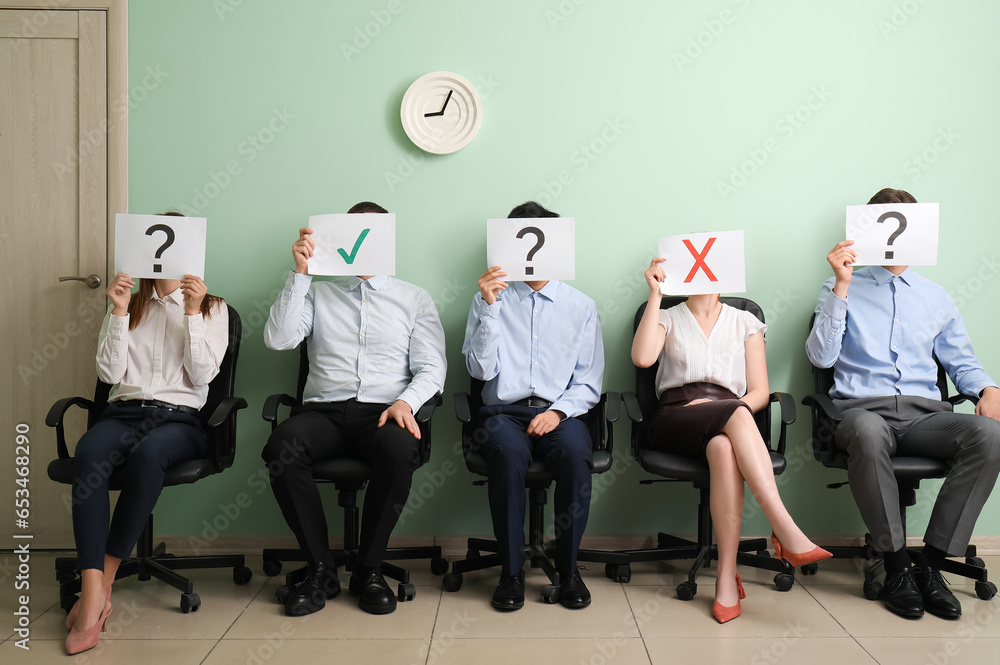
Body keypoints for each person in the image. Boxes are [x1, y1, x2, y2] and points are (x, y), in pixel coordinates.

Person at [806, 187, 1000, 620]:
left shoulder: (936, 297)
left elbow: (962, 363)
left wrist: (989, 389)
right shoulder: (839, 286)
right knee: (867, 429)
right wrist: (841, 285)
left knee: (990, 434)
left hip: (924, 417)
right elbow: (820, 357)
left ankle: (929, 567)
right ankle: (896, 567)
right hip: (861, 411)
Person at [262, 201, 446, 617]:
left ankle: (369, 569)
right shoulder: (319, 292)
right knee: (281, 447)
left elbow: (433, 367)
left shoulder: (413, 298)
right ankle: (320, 568)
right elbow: (278, 339)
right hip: (323, 413)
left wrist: (407, 402)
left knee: (400, 450)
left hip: (384, 411)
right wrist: (300, 275)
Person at [632, 258, 830, 624]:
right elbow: (643, 359)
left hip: (727, 416)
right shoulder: (668, 315)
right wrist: (656, 295)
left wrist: (723, 408)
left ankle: (726, 577)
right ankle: (783, 525)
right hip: (674, 416)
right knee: (737, 413)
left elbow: (759, 392)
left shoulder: (746, 321)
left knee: (725, 443)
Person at [68, 230, 228, 654]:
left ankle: (102, 583)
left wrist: (192, 314)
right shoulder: (131, 304)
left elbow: (203, 378)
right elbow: (108, 375)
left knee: (149, 454)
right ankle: (91, 586)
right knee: (88, 455)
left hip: (180, 420)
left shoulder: (214, 308)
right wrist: (118, 313)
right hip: (123, 412)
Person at [461, 201, 604, 611]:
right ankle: (510, 573)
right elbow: (478, 370)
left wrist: (557, 412)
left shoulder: (581, 306)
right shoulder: (488, 300)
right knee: (506, 455)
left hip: (561, 411)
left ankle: (569, 569)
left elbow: (589, 381)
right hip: (502, 413)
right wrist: (489, 309)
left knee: (578, 457)